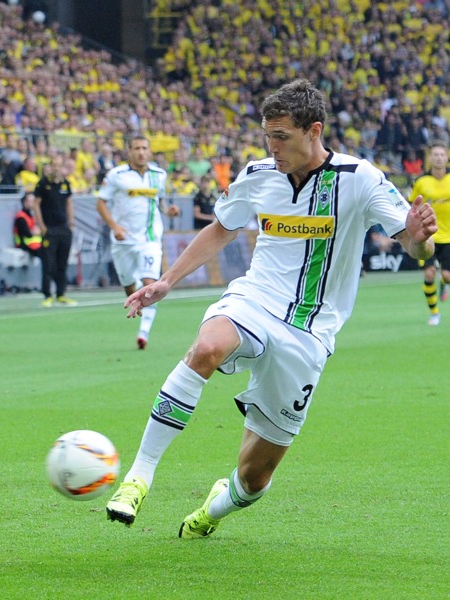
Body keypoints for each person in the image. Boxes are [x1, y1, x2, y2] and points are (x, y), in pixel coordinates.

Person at [105, 79, 436, 539]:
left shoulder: (359, 179)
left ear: (314, 130)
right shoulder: (259, 174)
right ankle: (139, 476)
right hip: (255, 300)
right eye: (268, 136)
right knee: (208, 346)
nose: (272, 147)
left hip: (310, 332)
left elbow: (415, 246)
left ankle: (213, 512)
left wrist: (421, 240)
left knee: (253, 479)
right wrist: (167, 281)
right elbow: (221, 229)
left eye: (281, 137)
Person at [96, 136, 180, 349]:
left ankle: (143, 333)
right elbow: (101, 203)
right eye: (137, 148)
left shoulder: (159, 175)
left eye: (144, 148)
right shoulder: (116, 175)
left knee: (150, 285)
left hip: (150, 238)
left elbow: (159, 201)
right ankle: (136, 307)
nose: (141, 152)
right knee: (129, 287)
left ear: (150, 151)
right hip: (123, 241)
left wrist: (167, 211)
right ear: (129, 152)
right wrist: (115, 226)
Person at [410, 142, 450, 325]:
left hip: (449, 237)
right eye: (435, 155)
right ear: (430, 158)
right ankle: (435, 313)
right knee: (429, 274)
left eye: (442, 154)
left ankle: (444, 283)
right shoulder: (421, 182)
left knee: (447, 277)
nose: (439, 158)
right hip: (429, 236)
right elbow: (412, 207)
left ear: (447, 157)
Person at [34, 154, 77, 307]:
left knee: (62, 262)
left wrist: (71, 221)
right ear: (50, 166)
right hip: (49, 229)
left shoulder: (66, 184)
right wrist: (42, 226)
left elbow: (69, 203)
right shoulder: (43, 183)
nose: (56, 168)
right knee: (48, 262)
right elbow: (36, 204)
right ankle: (47, 294)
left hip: (63, 228)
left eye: (59, 165)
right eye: (54, 165)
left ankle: (61, 293)